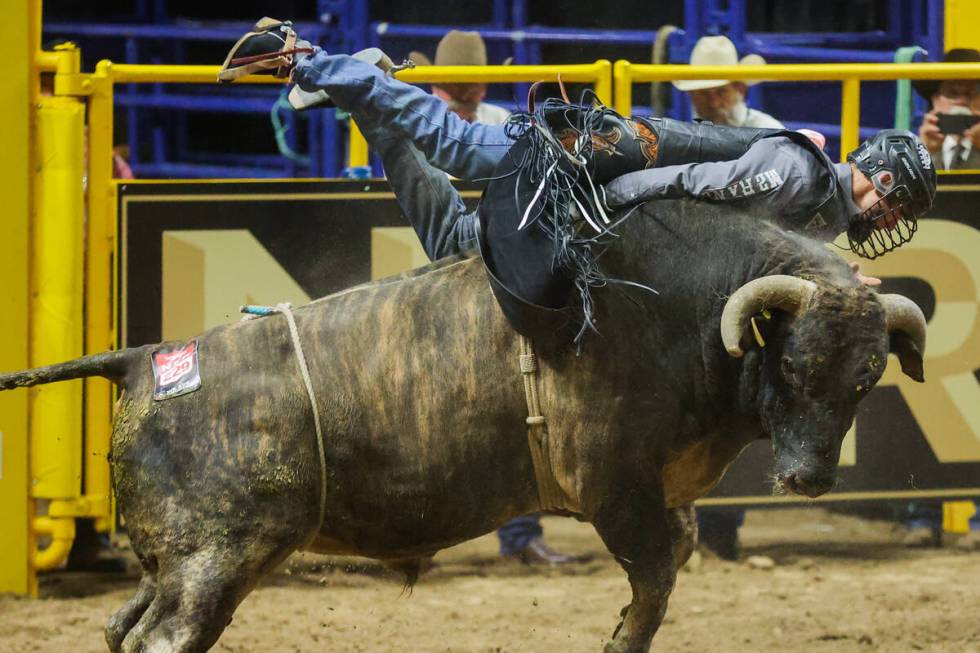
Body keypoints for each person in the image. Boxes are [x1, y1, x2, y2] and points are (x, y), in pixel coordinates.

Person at [218, 18, 936, 269]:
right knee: (464, 153)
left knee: (454, 243)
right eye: (898, 205)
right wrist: (597, 204)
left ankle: (362, 86)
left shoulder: (818, 207)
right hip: (600, 165)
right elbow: (691, 194)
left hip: (610, 171)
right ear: (876, 178)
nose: (893, 222)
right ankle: (306, 56)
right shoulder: (798, 176)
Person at [673, 35, 783, 129]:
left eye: (722, 92)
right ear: (691, 94)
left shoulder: (769, 132)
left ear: (740, 89)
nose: (714, 103)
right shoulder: (684, 138)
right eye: (704, 94)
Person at [913, 48, 980, 170]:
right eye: (952, 93)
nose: (962, 101)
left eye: (971, 93)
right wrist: (924, 153)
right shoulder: (913, 151)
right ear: (935, 100)